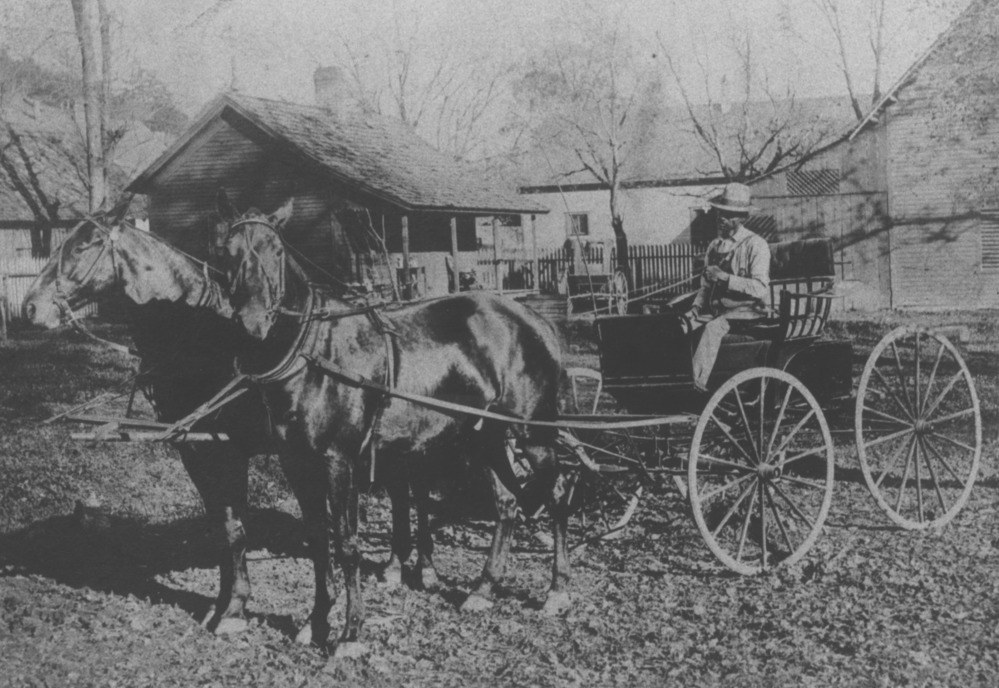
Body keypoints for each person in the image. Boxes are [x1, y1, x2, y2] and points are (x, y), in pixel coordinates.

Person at [681, 183, 771, 393]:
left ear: (742, 217)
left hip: (746, 313)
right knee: (680, 326)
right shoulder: (714, 247)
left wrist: (725, 278)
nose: (721, 218)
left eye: (729, 214)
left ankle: (695, 384)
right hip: (717, 311)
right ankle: (674, 380)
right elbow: (705, 287)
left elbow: (760, 288)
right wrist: (695, 308)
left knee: (712, 329)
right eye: (720, 212)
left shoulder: (756, 245)